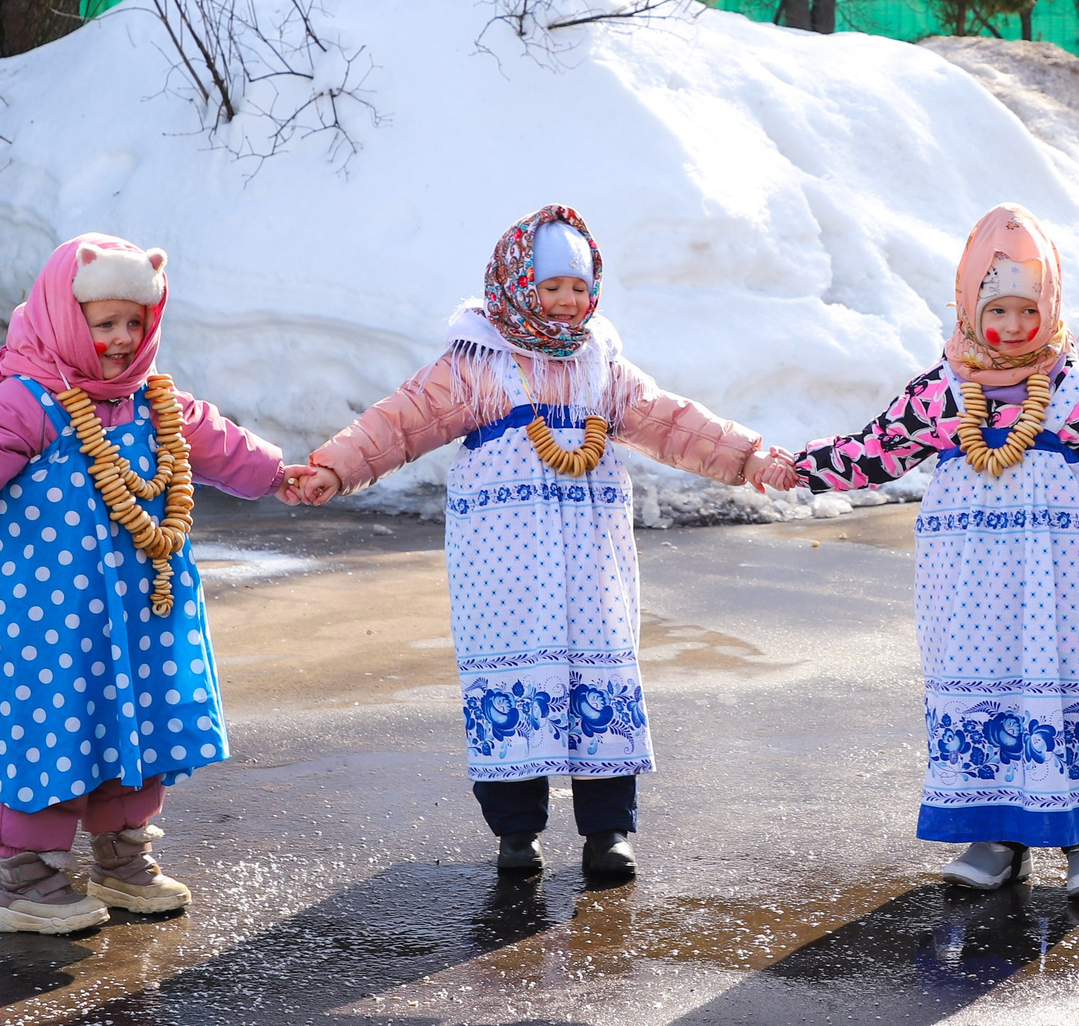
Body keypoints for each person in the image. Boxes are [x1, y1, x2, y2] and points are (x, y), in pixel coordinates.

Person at [280, 206, 791, 880]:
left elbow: (671, 421)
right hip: (505, 563)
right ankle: (516, 832)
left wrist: (749, 458)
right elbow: (401, 421)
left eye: (578, 288)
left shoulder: (600, 364)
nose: (567, 301)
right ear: (518, 283)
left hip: (590, 559)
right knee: (511, 678)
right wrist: (336, 465)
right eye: (552, 287)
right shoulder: (475, 362)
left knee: (600, 674)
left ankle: (608, 830)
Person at [0, 234, 284, 935]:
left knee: (135, 725)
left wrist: (281, 475)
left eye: (133, 324)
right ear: (62, 311)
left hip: (142, 609)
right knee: (50, 729)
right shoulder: (29, 400)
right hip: (49, 619)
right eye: (103, 322)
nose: (119, 340)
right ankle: (27, 878)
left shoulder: (154, 403)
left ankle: (123, 857)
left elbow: (222, 443)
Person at [787, 205, 1079, 901]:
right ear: (968, 305)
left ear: (1049, 308)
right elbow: (876, 451)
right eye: (997, 309)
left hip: (1064, 583)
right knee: (985, 691)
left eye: (1027, 309)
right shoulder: (942, 392)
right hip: (969, 588)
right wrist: (799, 468)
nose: (1013, 326)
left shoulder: (1077, 395)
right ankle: (995, 835)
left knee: (1070, 687)